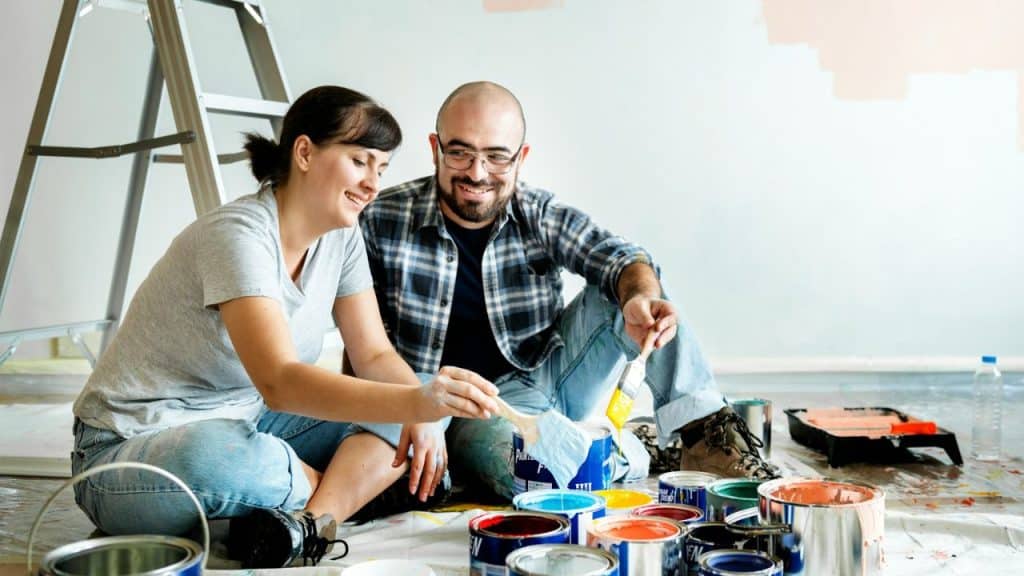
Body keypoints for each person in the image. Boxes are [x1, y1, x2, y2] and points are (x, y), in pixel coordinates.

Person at [71, 85, 499, 568]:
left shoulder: (342, 237)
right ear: (304, 152)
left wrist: (421, 411)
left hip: (248, 421)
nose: (372, 185)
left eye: (381, 168)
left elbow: (374, 356)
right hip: (127, 449)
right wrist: (409, 414)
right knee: (220, 456)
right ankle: (350, 491)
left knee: (422, 391)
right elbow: (279, 381)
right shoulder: (238, 236)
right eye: (360, 161)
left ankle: (309, 525)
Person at [357, 81, 778, 500]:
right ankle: (630, 448)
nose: (477, 172)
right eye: (460, 152)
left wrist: (637, 299)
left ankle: (703, 434)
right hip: (457, 406)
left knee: (640, 288)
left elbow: (622, 256)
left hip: (548, 378)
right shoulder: (381, 219)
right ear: (435, 147)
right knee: (535, 474)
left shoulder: (536, 211)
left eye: (496, 157)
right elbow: (361, 341)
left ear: (521, 158)